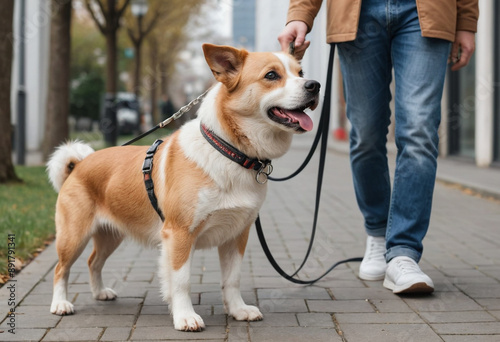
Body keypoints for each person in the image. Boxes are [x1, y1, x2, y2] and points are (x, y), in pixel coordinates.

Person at [278, 0, 478, 294]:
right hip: (357, 14)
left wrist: (467, 21)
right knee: (366, 135)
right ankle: (378, 232)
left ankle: (403, 253)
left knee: (420, 131)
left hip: (427, 11)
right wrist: (299, 15)